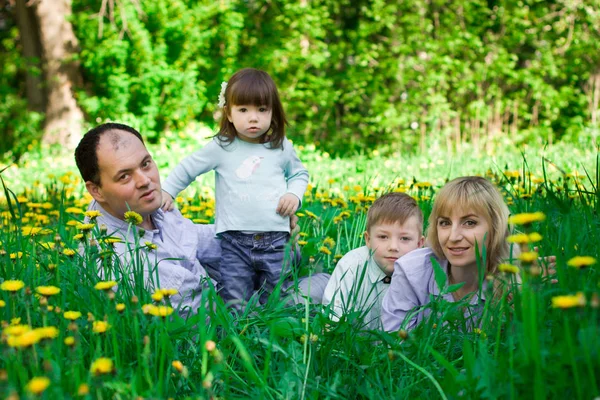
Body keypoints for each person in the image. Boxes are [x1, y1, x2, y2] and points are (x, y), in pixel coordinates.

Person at [161, 68, 309, 310]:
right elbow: (189, 167)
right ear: (228, 114)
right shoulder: (222, 147)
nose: (253, 118)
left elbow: (299, 174)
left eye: (262, 110)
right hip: (234, 242)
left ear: (273, 112)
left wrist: (294, 194)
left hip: (276, 240)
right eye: (243, 110)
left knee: (275, 295)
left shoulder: (281, 147)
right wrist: (168, 190)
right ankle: (239, 333)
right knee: (235, 296)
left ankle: (270, 331)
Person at [74, 123, 221, 315]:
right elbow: (209, 316)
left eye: (145, 164)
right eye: (125, 176)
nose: (144, 181)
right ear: (96, 190)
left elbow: (197, 238)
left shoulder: (140, 206)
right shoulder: (122, 265)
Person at [381, 176, 513, 332]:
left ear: (496, 227)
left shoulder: (514, 277)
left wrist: (531, 293)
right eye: (445, 223)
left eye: (469, 223)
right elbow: (394, 346)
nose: (453, 237)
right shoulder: (411, 272)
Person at [322, 193, 425, 329]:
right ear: (368, 240)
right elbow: (332, 317)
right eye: (383, 237)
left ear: (419, 244)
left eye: (404, 239)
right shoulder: (351, 266)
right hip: (354, 345)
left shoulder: (426, 275)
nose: (393, 247)